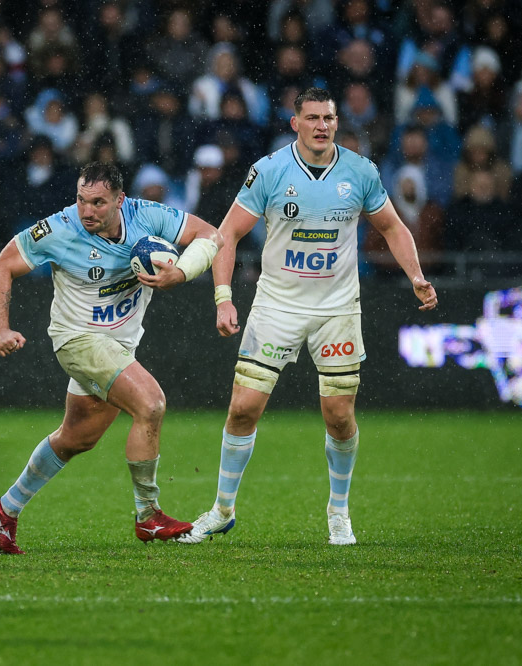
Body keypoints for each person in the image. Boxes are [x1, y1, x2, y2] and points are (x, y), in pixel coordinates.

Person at [177, 88, 437, 547]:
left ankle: (339, 512)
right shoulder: (270, 171)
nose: (322, 126)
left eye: (329, 118)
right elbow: (226, 235)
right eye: (313, 117)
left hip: (337, 309)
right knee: (243, 409)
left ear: (338, 123)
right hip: (276, 306)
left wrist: (415, 275)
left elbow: (393, 226)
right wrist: (223, 297)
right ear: (295, 123)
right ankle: (221, 510)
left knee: (338, 416)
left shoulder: (360, 172)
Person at [0, 162, 222, 554]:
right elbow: (1, 267)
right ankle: (149, 516)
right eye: (81, 200)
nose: (87, 211)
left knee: (76, 438)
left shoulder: (146, 214)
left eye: (97, 202)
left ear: (119, 201)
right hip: (77, 340)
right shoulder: (59, 228)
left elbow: (210, 235)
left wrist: (180, 273)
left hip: (119, 346)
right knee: (151, 404)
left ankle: (6, 507)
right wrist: (1, 329)